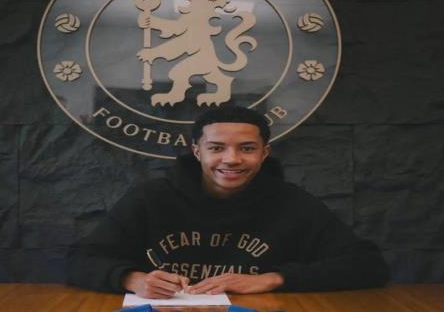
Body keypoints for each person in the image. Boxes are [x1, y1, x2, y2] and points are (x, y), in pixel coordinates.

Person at [67, 106, 389, 298]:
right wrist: (132, 279)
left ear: (264, 153)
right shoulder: (150, 199)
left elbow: (368, 265)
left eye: (247, 148)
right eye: (216, 148)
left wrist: (272, 279)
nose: (231, 159)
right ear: (197, 151)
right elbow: (80, 259)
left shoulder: (294, 203)